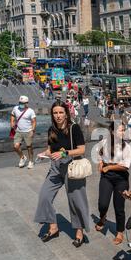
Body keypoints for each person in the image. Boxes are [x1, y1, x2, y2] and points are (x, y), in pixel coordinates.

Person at [34, 101, 90, 248]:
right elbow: (50, 150)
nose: (58, 116)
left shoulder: (74, 128)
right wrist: (44, 154)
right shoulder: (51, 130)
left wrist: (64, 153)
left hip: (72, 166)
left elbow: (82, 149)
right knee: (44, 196)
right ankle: (53, 227)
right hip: (55, 168)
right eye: (55, 113)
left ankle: (79, 232)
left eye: (61, 112)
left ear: (66, 113)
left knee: (76, 201)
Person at [94, 122, 131, 245]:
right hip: (107, 177)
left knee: (119, 206)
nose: (123, 132)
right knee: (102, 204)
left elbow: (125, 166)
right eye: (121, 130)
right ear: (113, 132)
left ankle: (120, 232)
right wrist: (100, 163)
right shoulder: (104, 143)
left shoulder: (126, 146)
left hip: (121, 178)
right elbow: (98, 152)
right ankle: (103, 217)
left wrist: (109, 168)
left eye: (123, 130)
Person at [10, 96, 37, 169]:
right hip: (18, 131)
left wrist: (32, 130)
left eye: (22, 103)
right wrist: (12, 122)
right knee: (16, 146)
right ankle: (22, 157)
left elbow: (34, 121)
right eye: (20, 102)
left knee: (29, 147)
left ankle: (31, 161)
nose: (20, 104)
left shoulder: (30, 111)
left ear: (26, 103)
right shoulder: (16, 108)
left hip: (28, 131)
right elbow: (12, 115)